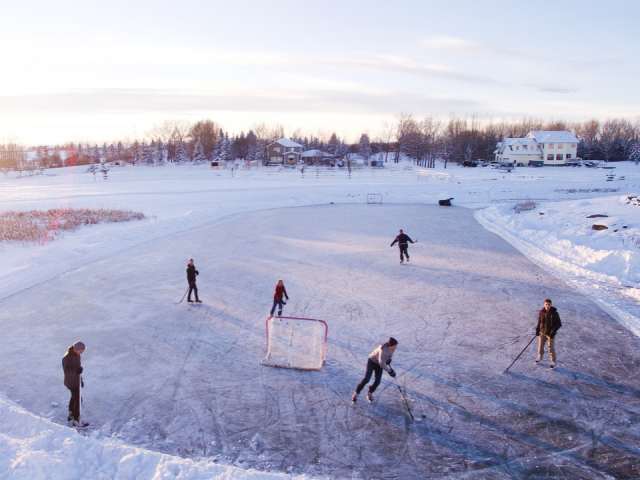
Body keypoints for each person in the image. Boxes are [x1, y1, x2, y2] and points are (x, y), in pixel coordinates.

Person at [352, 337, 398, 403]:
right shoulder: (383, 350)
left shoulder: (392, 349)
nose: (396, 347)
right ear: (391, 345)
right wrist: (390, 371)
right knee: (367, 379)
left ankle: (370, 392)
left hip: (379, 364)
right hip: (372, 361)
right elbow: (381, 363)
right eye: (395, 346)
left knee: (378, 381)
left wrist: (389, 360)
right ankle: (356, 393)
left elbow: (390, 355)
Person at [62, 341, 89, 427]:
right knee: (78, 400)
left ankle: (71, 414)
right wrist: (76, 371)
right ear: (76, 349)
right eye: (81, 350)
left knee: (74, 397)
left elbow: (78, 369)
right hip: (71, 382)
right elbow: (67, 372)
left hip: (76, 381)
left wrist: (80, 380)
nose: (81, 352)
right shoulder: (67, 358)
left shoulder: (77, 355)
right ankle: (76, 420)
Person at [535, 299, 562, 369]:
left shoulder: (555, 313)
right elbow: (539, 321)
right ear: (544, 305)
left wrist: (553, 331)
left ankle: (554, 361)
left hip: (551, 333)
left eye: (549, 304)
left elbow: (559, 324)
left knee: (550, 347)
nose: (547, 306)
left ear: (551, 305)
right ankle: (540, 356)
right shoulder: (542, 312)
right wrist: (537, 329)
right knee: (541, 345)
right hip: (543, 332)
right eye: (546, 304)